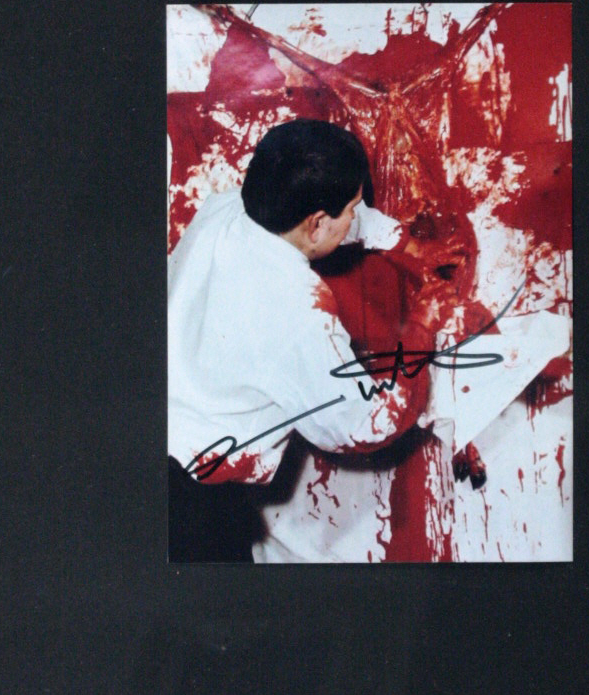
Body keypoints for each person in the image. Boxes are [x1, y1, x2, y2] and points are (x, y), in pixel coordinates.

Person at [167, 119, 442, 562]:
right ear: (316, 223)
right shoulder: (296, 310)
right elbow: (363, 426)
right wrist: (423, 329)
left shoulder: (227, 208)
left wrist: (401, 242)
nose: (355, 215)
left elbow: (321, 218)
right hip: (190, 506)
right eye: (353, 207)